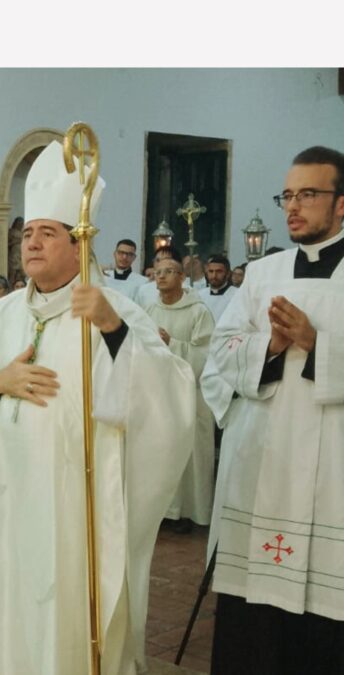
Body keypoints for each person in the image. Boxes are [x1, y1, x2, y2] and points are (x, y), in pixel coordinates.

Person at [0, 141, 195, 675]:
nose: (31, 242)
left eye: (47, 233)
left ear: (80, 243)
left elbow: (170, 394)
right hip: (6, 500)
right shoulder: (5, 312)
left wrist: (112, 330)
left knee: (64, 616)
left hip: (73, 506)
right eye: (28, 233)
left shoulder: (112, 308)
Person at [202, 146, 344, 674]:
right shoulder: (262, 274)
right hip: (262, 461)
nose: (293, 206)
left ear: (341, 203)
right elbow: (221, 352)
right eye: (288, 195)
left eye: (308, 194)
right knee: (253, 622)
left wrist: (316, 342)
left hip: (333, 473)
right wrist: (272, 348)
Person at [143, 258, 216, 532]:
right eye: (158, 272)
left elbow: (206, 356)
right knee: (161, 452)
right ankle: (163, 511)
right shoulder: (150, 310)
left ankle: (189, 513)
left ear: (182, 277)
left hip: (190, 396)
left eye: (169, 272)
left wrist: (171, 343)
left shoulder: (199, 311)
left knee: (191, 454)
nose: (161, 276)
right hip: (159, 394)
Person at [197, 253, 237, 322]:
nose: (214, 276)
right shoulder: (199, 295)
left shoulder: (237, 294)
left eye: (219, 271)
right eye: (211, 271)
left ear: (228, 274)